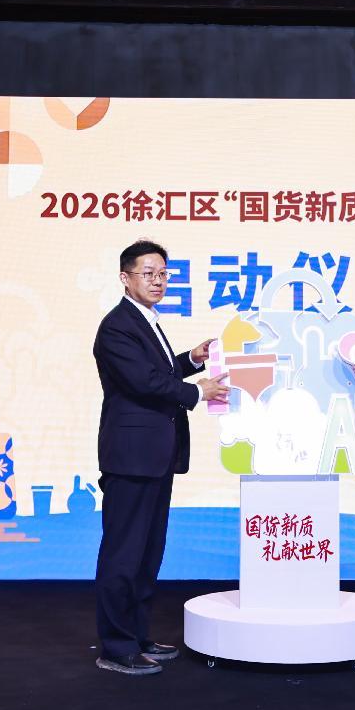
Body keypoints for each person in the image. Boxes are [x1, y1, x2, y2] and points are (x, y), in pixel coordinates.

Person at [92, 239, 230, 676]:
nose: (158, 281)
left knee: (148, 552)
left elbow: (159, 371)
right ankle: (116, 647)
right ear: (125, 277)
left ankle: (136, 635)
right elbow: (143, 381)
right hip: (130, 459)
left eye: (163, 274)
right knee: (124, 554)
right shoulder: (117, 326)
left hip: (154, 456)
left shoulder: (145, 320)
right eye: (148, 273)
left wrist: (191, 359)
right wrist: (197, 391)